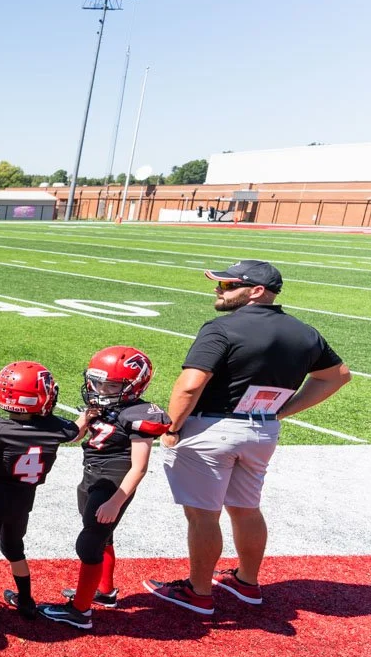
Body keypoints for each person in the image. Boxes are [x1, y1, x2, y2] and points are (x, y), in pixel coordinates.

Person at [147, 260, 351, 617]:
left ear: (256, 291)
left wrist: (173, 426)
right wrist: (283, 410)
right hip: (262, 431)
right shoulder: (305, 332)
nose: (218, 290)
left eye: (227, 285)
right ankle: (247, 582)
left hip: (210, 430)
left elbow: (191, 383)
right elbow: (337, 376)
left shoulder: (221, 328)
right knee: (246, 508)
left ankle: (199, 591)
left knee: (203, 515)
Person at [38, 347, 168, 631]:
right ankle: (104, 592)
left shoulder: (138, 414)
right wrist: (84, 419)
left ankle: (80, 612)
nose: (101, 389)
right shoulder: (100, 407)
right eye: (97, 382)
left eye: (111, 385)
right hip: (91, 477)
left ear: (134, 385)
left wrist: (116, 501)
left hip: (114, 481)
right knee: (103, 536)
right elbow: (74, 437)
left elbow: (139, 467)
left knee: (89, 542)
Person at [0, 362, 81, 626]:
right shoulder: (56, 429)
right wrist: (88, 416)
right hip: (23, 502)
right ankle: (25, 600)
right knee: (15, 549)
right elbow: (74, 431)